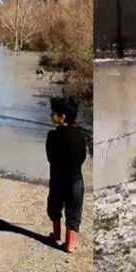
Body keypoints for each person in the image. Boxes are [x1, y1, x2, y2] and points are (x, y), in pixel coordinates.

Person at [46, 96, 87, 253]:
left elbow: (50, 158)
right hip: (76, 179)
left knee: (54, 207)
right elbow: (83, 157)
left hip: (57, 178)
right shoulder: (81, 135)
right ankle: (69, 244)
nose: (51, 116)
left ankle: (56, 234)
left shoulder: (52, 136)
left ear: (62, 117)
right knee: (74, 211)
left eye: (53, 113)